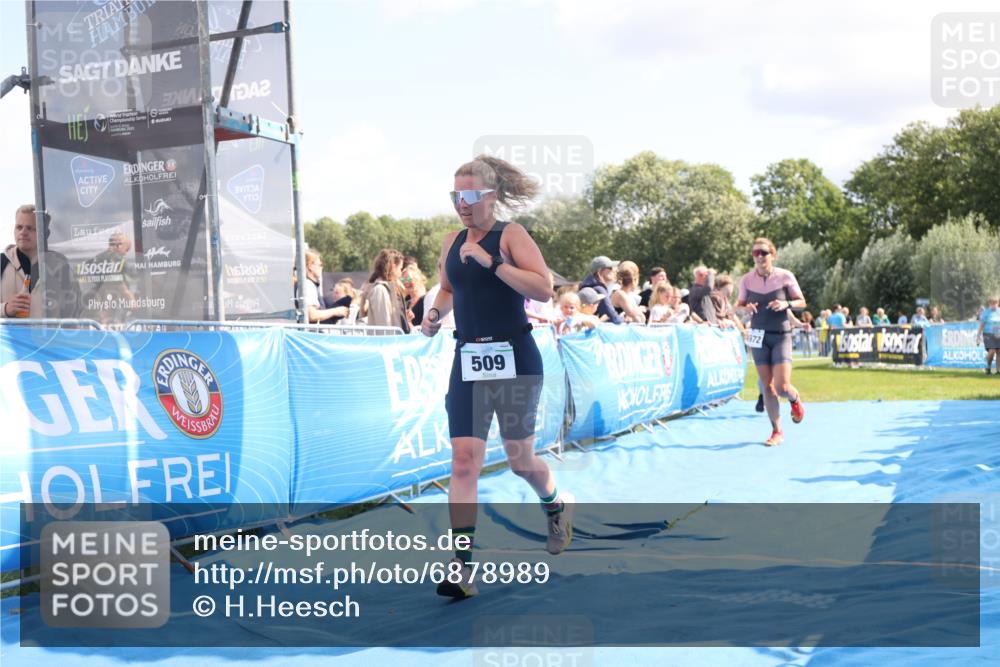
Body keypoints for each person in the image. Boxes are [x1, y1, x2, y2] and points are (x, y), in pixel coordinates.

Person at [421, 155, 574, 598]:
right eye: (455, 196)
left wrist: (492, 264)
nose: (461, 205)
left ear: (492, 196)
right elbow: (449, 289)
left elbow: (544, 289)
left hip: (515, 355)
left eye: (470, 196)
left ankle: (556, 505)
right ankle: (462, 569)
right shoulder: (451, 241)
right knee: (464, 461)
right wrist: (433, 312)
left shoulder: (511, 234)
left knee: (519, 460)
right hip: (468, 358)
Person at [736, 237, 807, 447]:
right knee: (767, 387)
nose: (759, 257)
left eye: (763, 253)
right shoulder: (747, 280)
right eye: (755, 253)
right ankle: (777, 431)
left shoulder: (785, 276)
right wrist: (745, 308)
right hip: (758, 335)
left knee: (782, 386)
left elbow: (802, 302)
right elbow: (738, 305)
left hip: (781, 334)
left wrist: (786, 303)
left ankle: (794, 399)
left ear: (772, 255)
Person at [361, 248, 410, 331]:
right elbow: (384, 325)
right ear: (393, 266)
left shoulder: (387, 289)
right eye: (400, 269)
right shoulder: (380, 290)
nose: (401, 273)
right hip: (388, 342)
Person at [301, 249, 349, 324]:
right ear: (310, 266)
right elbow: (312, 315)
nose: (322, 268)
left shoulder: (307, 284)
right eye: (320, 265)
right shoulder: (308, 285)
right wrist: (337, 311)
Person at [579, 256, 623, 324]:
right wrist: (625, 321)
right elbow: (613, 317)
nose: (614, 270)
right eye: (610, 268)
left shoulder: (587, 286)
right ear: (600, 271)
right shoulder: (599, 289)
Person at [976, 296, 1000, 375]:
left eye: (995, 303)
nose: (994, 305)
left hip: (997, 332)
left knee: (999, 352)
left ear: (998, 303)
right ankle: (988, 367)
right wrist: (978, 336)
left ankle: (998, 370)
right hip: (988, 333)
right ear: (989, 304)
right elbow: (982, 325)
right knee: (992, 351)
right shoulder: (986, 312)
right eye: (992, 303)